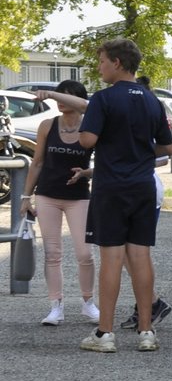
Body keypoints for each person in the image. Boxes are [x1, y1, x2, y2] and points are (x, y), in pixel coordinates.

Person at [74, 38, 172, 353]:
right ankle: (147, 331)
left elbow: (87, 140)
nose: (100, 68)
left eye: (102, 62)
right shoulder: (151, 100)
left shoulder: (103, 99)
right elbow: (168, 148)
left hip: (111, 186)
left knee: (112, 259)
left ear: (117, 62)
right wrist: (141, 151)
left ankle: (105, 333)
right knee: (141, 256)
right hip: (143, 184)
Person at [20, 79, 97, 326]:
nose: (60, 101)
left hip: (79, 197)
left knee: (85, 253)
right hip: (47, 195)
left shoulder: (92, 127)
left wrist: (86, 173)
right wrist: (25, 196)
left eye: (66, 96)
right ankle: (56, 306)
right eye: (58, 96)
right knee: (52, 253)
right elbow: (38, 162)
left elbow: (106, 161)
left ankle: (88, 303)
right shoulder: (47, 125)